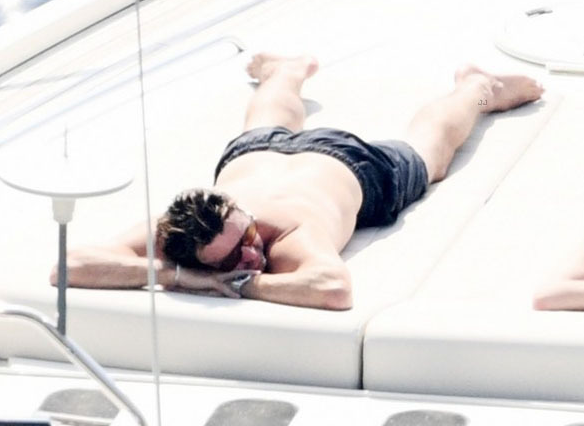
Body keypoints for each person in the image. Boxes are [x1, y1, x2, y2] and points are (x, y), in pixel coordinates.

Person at [51, 53, 543, 310]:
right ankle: (286, 72)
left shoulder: (285, 235)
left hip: (354, 167)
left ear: (236, 211)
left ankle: (479, 88)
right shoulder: (175, 230)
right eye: (233, 256)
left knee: (431, 150)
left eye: (247, 232)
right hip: (259, 155)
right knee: (263, 124)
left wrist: (237, 283)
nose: (252, 251)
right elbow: (66, 266)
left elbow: (333, 289)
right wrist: (180, 277)